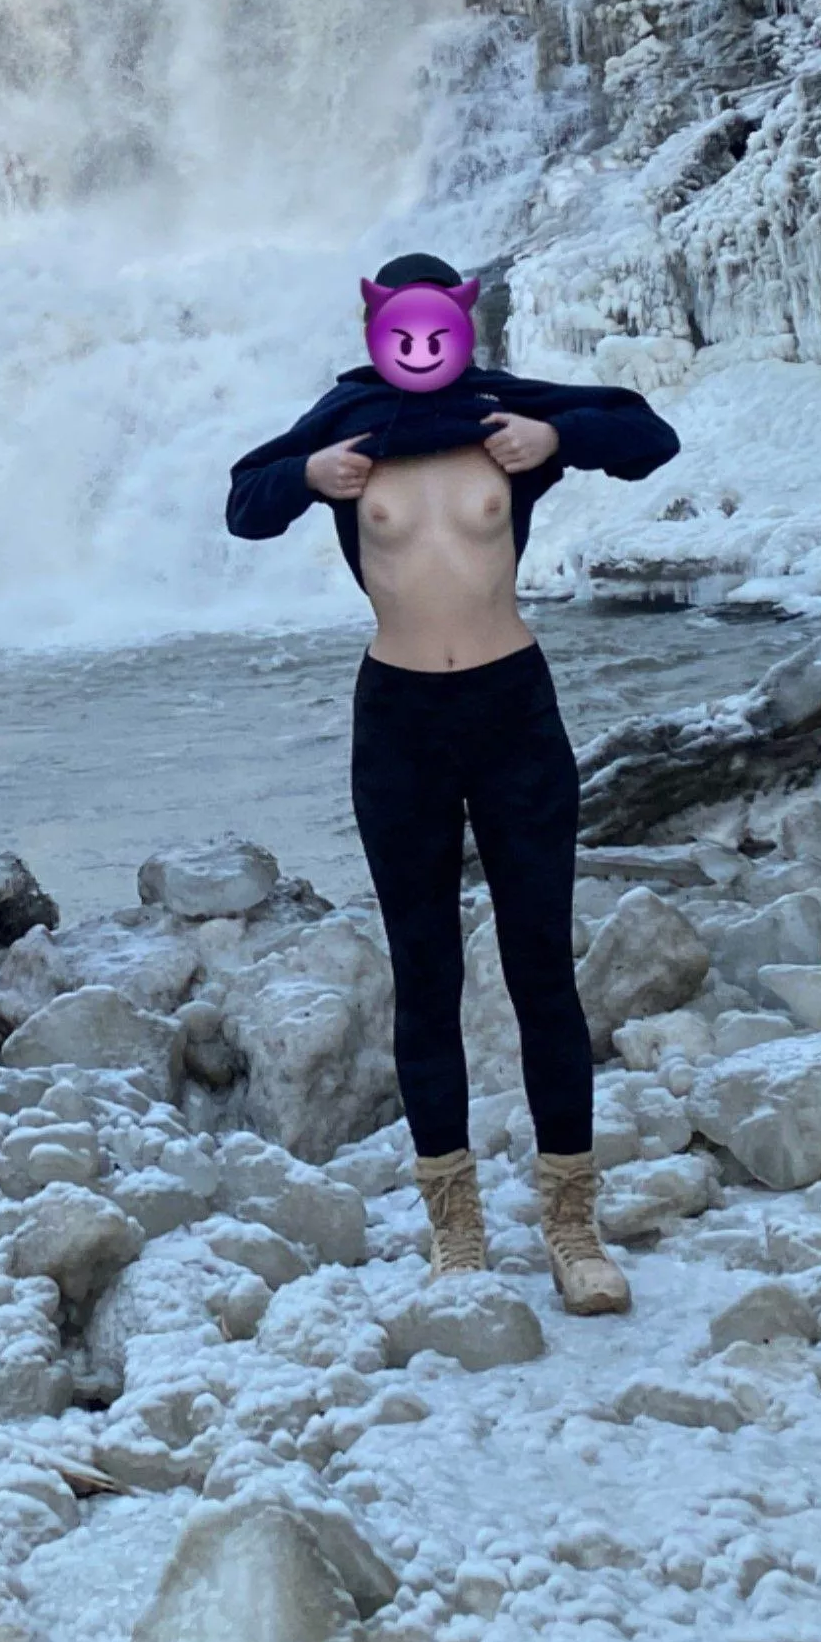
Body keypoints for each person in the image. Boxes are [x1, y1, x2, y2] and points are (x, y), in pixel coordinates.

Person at [223, 253, 681, 1312]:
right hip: (399, 723)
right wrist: (308, 478)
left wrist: (556, 440)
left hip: (513, 710)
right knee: (424, 973)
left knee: (540, 973)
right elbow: (245, 507)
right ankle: (456, 1232)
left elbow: (646, 437)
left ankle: (573, 1227)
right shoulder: (344, 422)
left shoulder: (503, 414)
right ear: (379, 324)